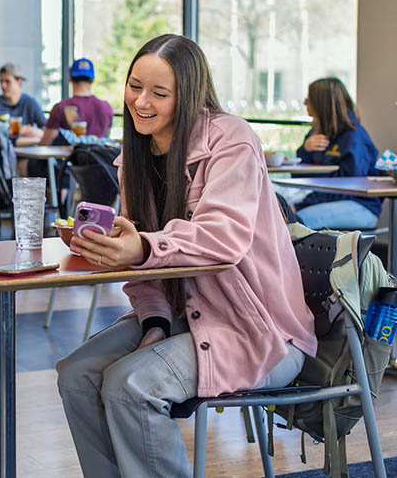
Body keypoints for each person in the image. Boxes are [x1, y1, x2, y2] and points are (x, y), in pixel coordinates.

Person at [56, 34, 317, 478]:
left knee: (129, 386)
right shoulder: (133, 158)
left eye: (159, 93)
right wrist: (155, 322)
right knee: (76, 373)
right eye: (135, 86)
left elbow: (222, 238)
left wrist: (140, 247)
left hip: (260, 330)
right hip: (187, 315)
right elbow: (147, 274)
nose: (141, 101)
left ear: (189, 95)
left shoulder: (231, 140)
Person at [293, 77, 382, 229]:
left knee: (296, 222)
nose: (305, 104)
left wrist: (302, 204)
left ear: (322, 104)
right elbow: (300, 176)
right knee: (283, 214)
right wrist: (304, 150)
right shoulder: (318, 132)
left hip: (359, 205)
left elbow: (346, 188)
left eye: (309, 99)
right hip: (326, 199)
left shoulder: (354, 138)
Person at [40, 57, 114, 145]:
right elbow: (106, 138)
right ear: (93, 79)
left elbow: (46, 143)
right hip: (99, 158)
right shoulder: (106, 107)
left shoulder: (60, 107)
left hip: (69, 158)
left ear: (70, 77)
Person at [0, 63, 46, 140]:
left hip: (27, 148)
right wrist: (18, 131)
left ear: (19, 82)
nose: (3, 85)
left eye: (7, 81)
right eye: (1, 81)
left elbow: (45, 127)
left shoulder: (30, 103)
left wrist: (36, 131)